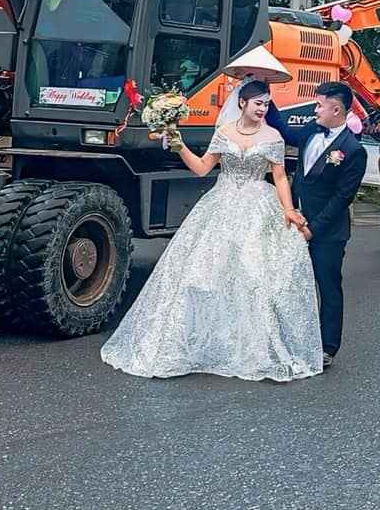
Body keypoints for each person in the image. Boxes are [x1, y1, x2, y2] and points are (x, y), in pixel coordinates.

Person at [101, 79, 321, 383]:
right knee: (202, 272)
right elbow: (202, 168)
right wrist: (178, 144)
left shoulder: (273, 137)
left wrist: (288, 209)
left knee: (253, 275)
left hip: (257, 204)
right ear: (242, 103)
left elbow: (280, 177)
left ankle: (250, 343)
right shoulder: (224, 133)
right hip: (222, 202)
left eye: (267, 104)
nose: (263, 109)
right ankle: (196, 339)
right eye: (258, 103)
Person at [291, 80, 368, 368]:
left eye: (319, 105)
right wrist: (264, 99)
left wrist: (313, 228)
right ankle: (297, 340)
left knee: (328, 286)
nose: (315, 110)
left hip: (328, 231)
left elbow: (341, 198)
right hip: (296, 221)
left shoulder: (353, 150)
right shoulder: (311, 130)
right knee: (295, 284)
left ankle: (328, 347)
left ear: (336, 109)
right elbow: (287, 135)